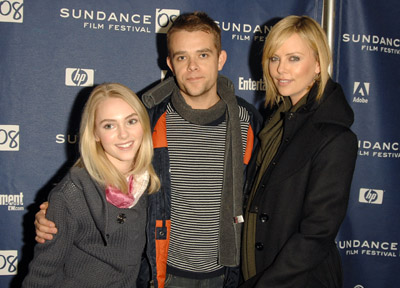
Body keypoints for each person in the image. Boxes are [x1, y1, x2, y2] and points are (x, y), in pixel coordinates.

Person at [33, 12, 262, 288]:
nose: (192, 67)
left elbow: (259, 193)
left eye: (202, 55)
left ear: (220, 59)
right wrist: (55, 213)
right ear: (170, 63)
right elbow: (98, 166)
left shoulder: (247, 121)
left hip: (227, 273)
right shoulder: (148, 114)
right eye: (181, 57)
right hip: (160, 271)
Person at [240, 15, 358, 287]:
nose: (280, 69)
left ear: (318, 64)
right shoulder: (277, 122)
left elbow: (317, 234)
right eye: (274, 58)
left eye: (294, 58)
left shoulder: (335, 137)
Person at [23, 83, 160, 287]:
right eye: (109, 125)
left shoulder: (150, 184)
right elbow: (40, 276)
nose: (124, 134)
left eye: (131, 121)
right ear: (95, 133)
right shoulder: (72, 193)